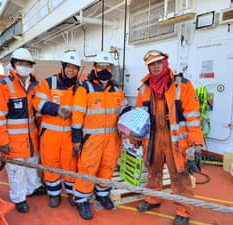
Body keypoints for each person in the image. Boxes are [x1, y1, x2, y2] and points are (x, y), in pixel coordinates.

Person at [134, 50, 204, 225]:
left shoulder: (183, 85)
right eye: (152, 64)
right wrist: (135, 137)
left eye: (158, 63)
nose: (156, 67)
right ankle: (152, 199)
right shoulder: (144, 88)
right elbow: (139, 115)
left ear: (165, 63)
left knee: (180, 176)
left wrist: (194, 144)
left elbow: (193, 116)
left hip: (176, 140)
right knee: (153, 171)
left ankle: (183, 211)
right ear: (148, 67)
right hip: (153, 138)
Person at [71, 51, 129, 220]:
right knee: (87, 169)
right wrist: (76, 139)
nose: (105, 69)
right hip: (91, 140)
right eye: (101, 66)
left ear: (112, 68)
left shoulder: (116, 88)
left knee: (108, 167)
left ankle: (102, 194)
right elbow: (77, 116)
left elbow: (124, 108)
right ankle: (81, 199)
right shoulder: (85, 88)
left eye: (108, 66)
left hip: (112, 139)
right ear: (95, 68)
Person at [0, 48, 46, 213]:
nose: (25, 67)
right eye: (21, 64)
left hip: (31, 139)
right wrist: (3, 142)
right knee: (16, 171)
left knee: (32, 166)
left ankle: (33, 188)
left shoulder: (36, 85)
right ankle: (19, 197)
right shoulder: (3, 87)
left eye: (28, 64)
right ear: (14, 65)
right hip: (13, 143)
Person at [32, 50, 81, 208]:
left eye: (75, 67)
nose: (71, 70)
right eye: (69, 66)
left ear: (78, 70)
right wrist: (56, 109)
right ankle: (54, 194)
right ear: (63, 66)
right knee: (50, 165)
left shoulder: (80, 88)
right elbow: (37, 102)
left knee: (71, 165)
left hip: (69, 135)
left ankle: (72, 193)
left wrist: (78, 139)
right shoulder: (48, 83)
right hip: (49, 135)